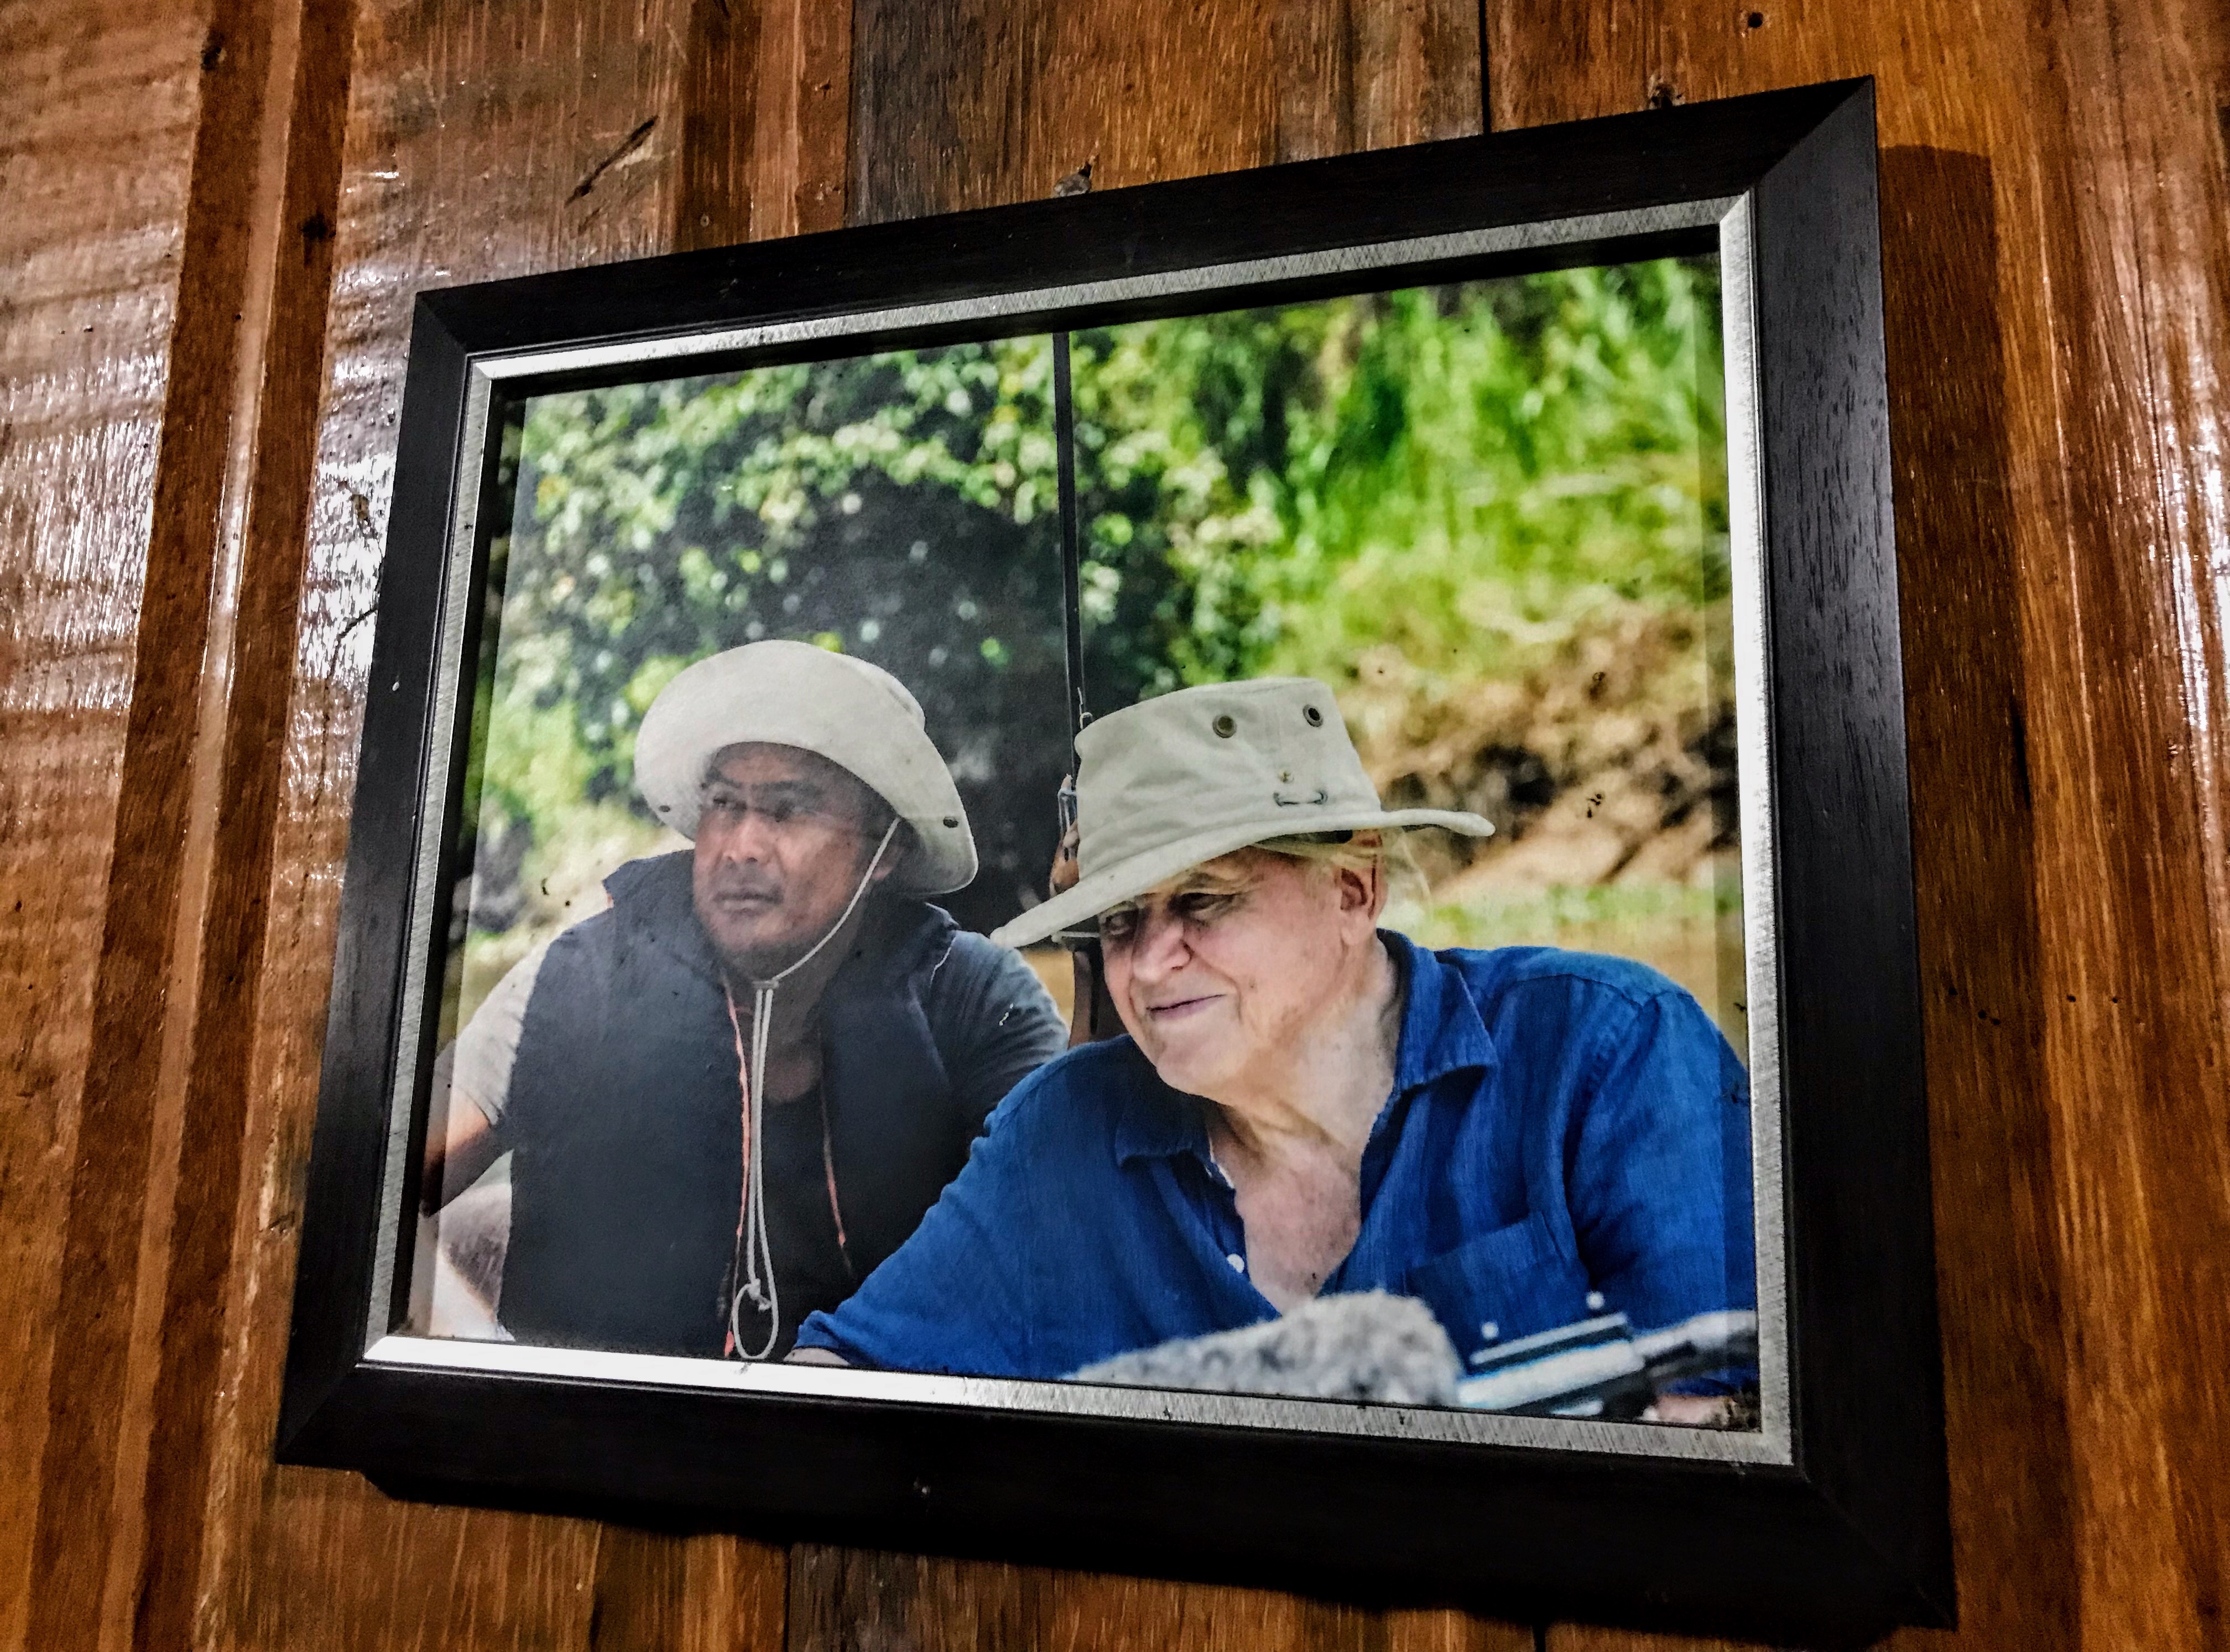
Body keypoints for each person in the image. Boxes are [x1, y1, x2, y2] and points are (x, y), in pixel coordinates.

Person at [793, 676, 1755, 1421]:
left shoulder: (1604, 1052)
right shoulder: (1068, 1133)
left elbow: (1725, 1416)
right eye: (1120, 922)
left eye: (1204, 901)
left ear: (1354, 892)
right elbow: (846, 1376)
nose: (1151, 962)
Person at [424, 640, 1069, 1359]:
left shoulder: (974, 997)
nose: (741, 846)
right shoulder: (584, 976)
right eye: (725, 804)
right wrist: (489, 1361)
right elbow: (378, 1182)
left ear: (884, 849)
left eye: (789, 810)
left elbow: (1071, 1229)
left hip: (879, 1446)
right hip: (598, 1442)